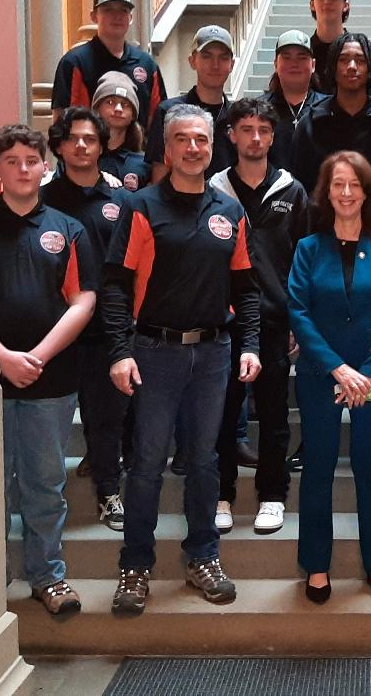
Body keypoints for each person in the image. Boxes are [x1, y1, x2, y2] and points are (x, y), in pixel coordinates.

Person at [101, 104, 261, 616]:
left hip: (214, 353)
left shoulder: (229, 213)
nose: (194, 148)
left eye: (202, 140)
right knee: (146, 463)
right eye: (183, 140)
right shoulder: (142, 208)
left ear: (214, 147)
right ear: (166, 150)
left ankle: (203, 557)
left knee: (206, 461)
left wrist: (251, 344)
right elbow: (116, 287)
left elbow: (247, 289)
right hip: (154, 352)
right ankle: (135, 566)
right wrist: (121, 352)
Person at [0, 124, 96, 614]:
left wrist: (38, 357)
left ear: (45, 167)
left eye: (32, 160)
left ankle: (48, 577)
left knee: (45, 483)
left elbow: (83, 299)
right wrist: (0, 358)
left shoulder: (68, 230)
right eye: (12, 161)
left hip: (50, 380)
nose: (23, 169)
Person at [288, 151, 371, 605]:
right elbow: (299, 311)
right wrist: (337, 368)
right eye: (338, 184)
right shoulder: (308, 248)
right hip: (322, 373)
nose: (346, 193)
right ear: (326, 192)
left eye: (355, 184)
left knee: (370, 469)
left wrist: (366, 376)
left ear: (367, 191)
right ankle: (317, 565)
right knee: (317, 470)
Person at [209, 98, 308, 534]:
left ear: (272, 136)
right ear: (231, 135)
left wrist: (299, 322)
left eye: (263, 130)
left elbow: (305, 260)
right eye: (245, 129)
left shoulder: (292, 190)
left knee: (273, 413)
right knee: (222, 414)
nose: (254, 138)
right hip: (220, 320)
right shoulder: (212, 190)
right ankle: (222, 494)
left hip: (274, 320)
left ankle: (272, 495)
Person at [42, 107, 132, 532]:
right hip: (54, 331)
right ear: (59, 146)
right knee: (52, 420)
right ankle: (46, 496)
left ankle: (108, 491)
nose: (82, 145)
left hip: (106, 330)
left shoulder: (121, 200)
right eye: (73, 138)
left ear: (103, 145)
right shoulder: (41, 200)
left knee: (107, 417)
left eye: (90, 139)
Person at [290, 32, 371, 196]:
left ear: (370, 67)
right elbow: (300, 190)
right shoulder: (310, 123)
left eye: (360, 60)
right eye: (343, 60)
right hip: (322, 220)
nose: (352, 66)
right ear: (333, 66)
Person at [51, 0, 166, 130]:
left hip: (137, 152)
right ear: (93, 16)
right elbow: (60, 118)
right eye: (108, 10)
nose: (117, 16)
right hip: (87, 151)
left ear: (130, 18)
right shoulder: (74, 62)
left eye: (123, 11)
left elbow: (158, 119)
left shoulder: (147, 64)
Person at [146, 25, 237, 184]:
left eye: (223, 57)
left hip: (226, 206)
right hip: (178, 205)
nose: (215, 65)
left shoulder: (238, 118)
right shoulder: (168, 112)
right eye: (207, 56)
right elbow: (159, 173)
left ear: (232, 65)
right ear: (192, 61)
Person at [259, 29, 328, 171]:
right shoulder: (259, 110)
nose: (294, 63)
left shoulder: (329, 108)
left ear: (313, 65)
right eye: (286, 57)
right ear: (276, 65)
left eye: (302, 57)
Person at [91, 71, 151, 191]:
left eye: (125, 104)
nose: (118, 109)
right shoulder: (80, 156)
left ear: (133, 115)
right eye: (110, 102)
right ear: (97, 109)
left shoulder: (144, 163)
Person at [308, 0, 360, 92]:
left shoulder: (360, 50)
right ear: (312, 4)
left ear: (345, 5)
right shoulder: (305, 52)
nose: (327, 1)